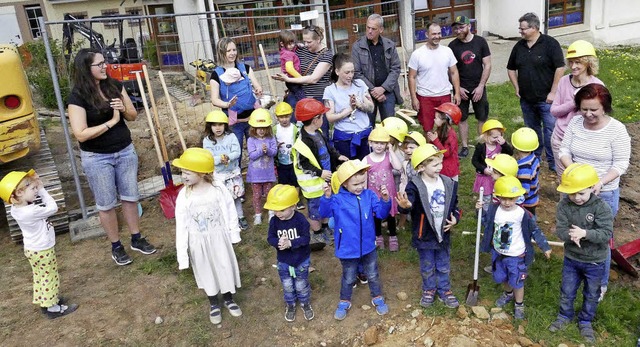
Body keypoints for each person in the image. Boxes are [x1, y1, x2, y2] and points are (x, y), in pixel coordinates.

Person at [67, 48, 156, 266]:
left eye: (104, 62)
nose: (104, 66)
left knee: (130, 197)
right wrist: (111, 122)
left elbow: (133, 116)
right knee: (106, 204)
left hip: (125, 151)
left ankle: (136, 238)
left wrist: (123, 108)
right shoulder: (77, 97)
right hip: (97, 157)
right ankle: (116, 245)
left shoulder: (114, 85)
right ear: (86, 69)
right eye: (99, 64)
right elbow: (80, 133)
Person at [558, 83, 630, 300]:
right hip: (574, 190)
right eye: (584, 109)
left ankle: (600, 283)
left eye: (593, 110)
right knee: (573, 232)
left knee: (600, 239)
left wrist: (599, 182)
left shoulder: (616, 130)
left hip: (603, 192)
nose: (588, 114)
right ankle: (573, 274)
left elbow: (621, 163)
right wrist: (571, 171)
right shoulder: (575, 123)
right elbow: (564, 149)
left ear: (605, 108)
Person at [173, 148, 242, 325]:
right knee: (206, 270)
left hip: (218, 237)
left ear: (202, 173)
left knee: (223, 266)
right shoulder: (184, 195)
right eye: (182, 172)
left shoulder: (217, 188)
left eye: (187, 172)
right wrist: (183, 255)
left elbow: (229, 209)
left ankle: (228, 298)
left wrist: (233, 234)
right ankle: (213, 303)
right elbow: (181, 225)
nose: (183, 176)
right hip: (198, 242)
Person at [0, 170, 79, 319]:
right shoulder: (32, 211)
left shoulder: (16, 210)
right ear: (19, 193)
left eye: (36, 187)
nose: (36, 189)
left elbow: (24, 200)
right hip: (43, 249)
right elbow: (53, 207)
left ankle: (46, 302)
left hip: (32, 249)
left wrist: (33, 185)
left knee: (40, 277)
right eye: (32, 188)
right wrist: (43, 189)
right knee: (50, 277)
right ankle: (53, 308)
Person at [548, 163, 613, 343]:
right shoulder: (564, 206)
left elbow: (606, 234)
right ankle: (564, 316)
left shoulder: (601, 207)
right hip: (572, 258)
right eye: (572, 193)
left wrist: (585, 234)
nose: (576, 198)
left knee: (591, 293)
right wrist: (570, 235)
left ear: (592, 188)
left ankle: (585, 321)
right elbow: (560, 229)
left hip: (595, 261)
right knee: (567, 290)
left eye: (581, 193)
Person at [320, 160, 391, 320]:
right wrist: (326, 197)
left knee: (372, 274)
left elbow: (381, 214)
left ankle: (377, 296)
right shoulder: (337, 200)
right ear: (344, 184)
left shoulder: (369, 195)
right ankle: (344, 300)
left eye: (362, 182)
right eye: (355, 184)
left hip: (368, 247)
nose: (359, 187)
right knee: (349, 277)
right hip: (347, 249)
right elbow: (324, 213)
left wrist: (385, 200)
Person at [396, 144, 461, 309]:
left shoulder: (448, 183)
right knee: (427, 265)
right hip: (424, 233)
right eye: (435, 164)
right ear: (421, 167)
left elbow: (455, 205)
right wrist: (405, 205)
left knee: (443, 264)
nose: (440, 167)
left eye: (440, 163)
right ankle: (429, 289)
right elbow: (409, 202)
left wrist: (456, 219)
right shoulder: (415, 185)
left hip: (443, 231)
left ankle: (445, 290)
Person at [479, 176, 552, 320]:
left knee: (517, 281)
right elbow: (486, 223)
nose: (507, 202)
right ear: (498, 196)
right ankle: (508, 294)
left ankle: (519, 303)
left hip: (516, 255)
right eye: (503, 198)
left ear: (518, 197)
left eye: (511, 199)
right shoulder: (494, 210)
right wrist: (479, 211)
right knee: (503, 277)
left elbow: (535, 230)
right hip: (499, 252)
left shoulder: (522, 214)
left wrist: (545, 246)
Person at [507, 12, 565, 172]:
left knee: (550, 131)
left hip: (546, 99)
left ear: (534, 28)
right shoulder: (519, 46)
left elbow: (560, 68)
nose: (520, 31)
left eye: (523, 29)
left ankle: (554, 162)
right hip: (526, 99)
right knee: (532, 130)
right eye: (520, 28)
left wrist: (553, 92)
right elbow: (511, 68)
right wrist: (516, 87)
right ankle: (535, 158)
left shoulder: (550, 44)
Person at [292, 98, 348, 249]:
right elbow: (302, 165)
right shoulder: (302, 143)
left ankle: (325, 228)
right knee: (315, 211)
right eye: (321, 116)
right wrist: (319, 173)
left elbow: (328, 148)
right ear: (315, 119)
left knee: (326, 205)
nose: (323, 119)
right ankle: (317, 232)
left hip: (324, 182)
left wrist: (337, 156)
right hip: (314, 186)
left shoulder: (318, 132)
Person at [550, 40, 604, 177]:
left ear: (588, 63)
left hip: (585, 142)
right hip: (561, 139)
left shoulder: (597, 85)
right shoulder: (563, 81)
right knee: (566, 181)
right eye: (571, 62)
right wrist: (574, 103)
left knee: (584, 181)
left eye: (578, 62)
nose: (573, 66)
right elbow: (554, 111)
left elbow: (601, 116)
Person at [265, 184, 314, 322]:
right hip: (283, 260)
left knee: (301, 284)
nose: (278, 213)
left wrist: (291, 243)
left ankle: (305, 302)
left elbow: (306, 238)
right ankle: (290, 303)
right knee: (287, 284)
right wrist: (278, 242)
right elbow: (270, 237)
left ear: (293, 206)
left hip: (301, 259)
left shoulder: (300, 220)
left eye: (281, 209)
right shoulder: (274, 221)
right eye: (275, 210)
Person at [273, 25, 333, 135]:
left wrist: (289, 79)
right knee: (294, 130)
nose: (306, 45)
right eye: (304, 41)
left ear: (318, 39)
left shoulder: (327, 55)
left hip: (317, 98)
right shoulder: (301, 50)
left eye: (309, 42)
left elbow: (313, 79)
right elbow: (287, 57)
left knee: (320, 131)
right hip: (296, 96)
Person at [210, 37, 264, 158]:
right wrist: (227, 105)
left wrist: (258, 90)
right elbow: (214, 99)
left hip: (252, 119)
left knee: (258, 150)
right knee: (236, 154)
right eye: (228, 50)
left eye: (234, 49)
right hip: (234, 123)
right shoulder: (216, 74)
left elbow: (256, 85)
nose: (232, 53)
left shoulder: (245, 68)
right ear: (221, 52)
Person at [448, 15, 492, 158]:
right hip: (461, 88)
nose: (458, 30)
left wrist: (481, 86)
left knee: (481, 117)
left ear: (469, 27)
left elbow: (487, 65)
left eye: (461, 27)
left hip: (478, 87)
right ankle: (465, 146)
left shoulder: (480, 42)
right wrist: (457, 88)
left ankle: (481, 144)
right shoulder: (452, 46)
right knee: (462, 118)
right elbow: (450, 70)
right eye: (456, 28)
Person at [408, 22, 461, 133]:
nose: (437, 36)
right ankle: (430, 149)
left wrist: (457, 93)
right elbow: (411, 77)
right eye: (434, 34)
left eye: (439, 33)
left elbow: (454, 72)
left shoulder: (447, 51)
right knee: (428, 128)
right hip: (425, 97)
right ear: (427, 34)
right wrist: (414, 97)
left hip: (444, 95)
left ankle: (445, 149)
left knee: (445, 127)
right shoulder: (417, 54)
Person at [352, 13, 402, 125]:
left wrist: (383, 88)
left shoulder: (390, 45)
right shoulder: (357, 46)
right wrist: (374, 90)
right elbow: (357, 72)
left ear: (381, 29)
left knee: (389, 126)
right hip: (366, 93)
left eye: (373, 29)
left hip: (387, 92)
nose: (369, 31)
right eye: (368, 27)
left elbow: (396, 68)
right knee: (367, 126)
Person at [202, 110, 248, 230]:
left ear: (225, 125)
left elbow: (237, 152)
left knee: (236, 196)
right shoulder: (207, 141)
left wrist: (228, 157)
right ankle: (227, 219)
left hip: (233, 172)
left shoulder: (231, 137)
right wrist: (219, 159)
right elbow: (209, 157)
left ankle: (240, 216)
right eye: (214, 125)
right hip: (219, 175)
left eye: (220, 124)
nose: (218, 128)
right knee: (222, 198)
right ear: (210, 126)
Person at [324, 53, 375, 160]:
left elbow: (371, 108)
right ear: (337, 71)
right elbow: (330, 118)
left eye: (352, 72)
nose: (350, 75)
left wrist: (359, 105)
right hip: (344, 139)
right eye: (347, 72)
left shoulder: (360, 84)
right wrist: (350, 109)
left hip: (364, 136)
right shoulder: (330, 90)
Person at [364, 126, 402, 251]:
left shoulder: (388, 156)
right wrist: (364, 193)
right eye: (376, 143)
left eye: (382, 143)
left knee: (391, 215)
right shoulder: (366, 159)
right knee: (375, 216)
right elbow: (364, 178)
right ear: (370, 143)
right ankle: (378, 236)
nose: (379, 146)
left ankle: (392, 236)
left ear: (387, 144)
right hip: (373, 194)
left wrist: (391, 150)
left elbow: (398, 167)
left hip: (389, 193)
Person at [471, 119, 513, 212]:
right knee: (486, 196)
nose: (497, 139)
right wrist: (483, 169)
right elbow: (474, 161)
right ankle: (483, 213)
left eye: (499, 136)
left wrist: (504, 143)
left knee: (496, 194)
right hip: (485, 176)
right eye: (494, 137)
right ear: (486, 136)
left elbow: (510, 153)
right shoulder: (481, 147)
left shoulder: (500, 146)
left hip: (497, 176)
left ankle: (495, 211)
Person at [246, 108, 278, 225]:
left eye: (264, 128)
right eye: (259, 128)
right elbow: (252, 155)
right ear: (254, 128)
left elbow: (274, 152)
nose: (261, 130)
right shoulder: (251, 140)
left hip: (268, 173)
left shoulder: (271, 138)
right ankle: (258, 214)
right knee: (257, 195)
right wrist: (261, 150)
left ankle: (271, 212)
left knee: (269, 194)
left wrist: (268, 149)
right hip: (256, 175)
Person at [273, 102, 305, 210]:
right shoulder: (275, 129)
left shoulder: (294, 128)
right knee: (283, 181)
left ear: (291, 116)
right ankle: (285, 199)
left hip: (293, 160)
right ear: (277, 117)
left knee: (295, 181)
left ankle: (296, 199)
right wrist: (275, 146)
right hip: (281, 161)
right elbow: (272, 143)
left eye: (286, 116)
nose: (284, 119)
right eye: (281, 117)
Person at [398, 131, 427, 230]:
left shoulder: (424, 165)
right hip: (410, 191)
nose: (407, 150)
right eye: (406, 148)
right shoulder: (406, 163)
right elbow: (404, 178)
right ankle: (402, 223)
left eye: (411, 148)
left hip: (422, 192)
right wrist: (402, 189)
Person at [426, 102, 461, 180]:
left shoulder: (451, 135)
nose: (434, 119)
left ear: (445, 120)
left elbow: (447, 153)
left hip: (449, 171)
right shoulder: (439, 130)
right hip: (441, 168)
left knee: (450, 191)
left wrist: (435, 140)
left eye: (437, 118)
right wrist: (431, 141)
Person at [511, 127, 540, 215]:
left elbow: (525, 190)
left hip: (526, 203)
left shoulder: (524, 168)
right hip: (533, 196)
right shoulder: (533, 158)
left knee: (527, 222)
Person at [278, 29, 305, 113]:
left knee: (296, 97)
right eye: (290, 43)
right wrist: (301, 78)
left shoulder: (287, 50)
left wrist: (298, 45)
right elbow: (289, 69)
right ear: (282, 44)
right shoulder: (288, 54)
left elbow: (293, 47)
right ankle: (302, 114)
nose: (292, 45)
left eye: (293, 42)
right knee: (302, 98)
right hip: (293, 81)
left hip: (291, 80)